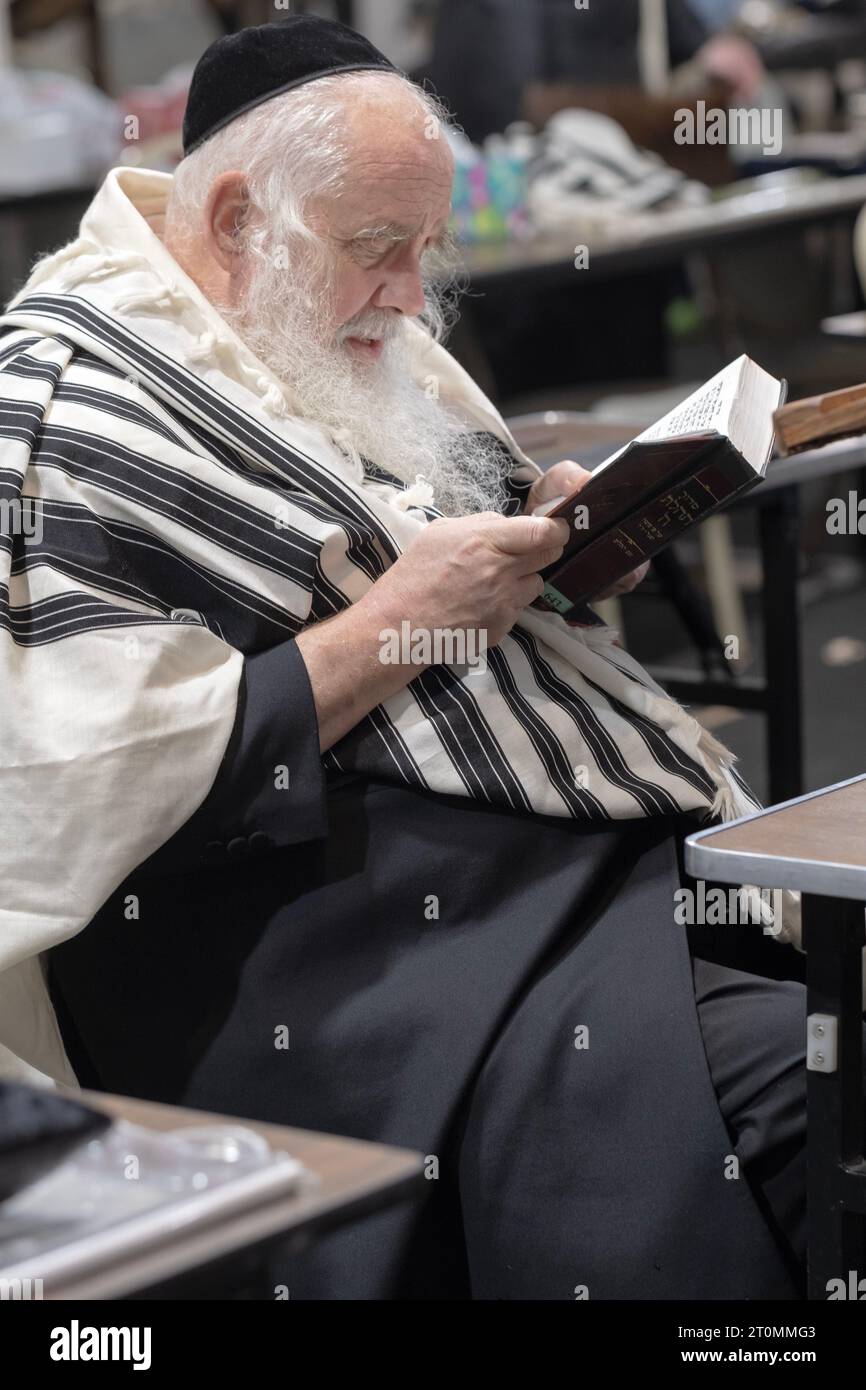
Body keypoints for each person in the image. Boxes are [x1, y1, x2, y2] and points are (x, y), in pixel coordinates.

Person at [0, 17, 843, 1300]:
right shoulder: (60, 399)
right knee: (803, 1092)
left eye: (423, 249)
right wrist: (398, 621)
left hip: (569, 863)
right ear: (234, 218)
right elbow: (75, 786)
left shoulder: (316, 308)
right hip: (358, 951)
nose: (409, 293)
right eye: (378, 249)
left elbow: (450, 552)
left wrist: (562, 542)